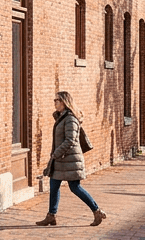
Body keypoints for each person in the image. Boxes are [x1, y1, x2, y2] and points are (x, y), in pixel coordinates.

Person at [36, 91, 107, 227]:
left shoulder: (70, 119)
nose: (54, 102)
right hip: (61, 159)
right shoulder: (61, 117)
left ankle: (97, 211)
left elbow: (70, 140)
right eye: (54, 100)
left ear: (64, 102)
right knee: (54, 186)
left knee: (75, 187)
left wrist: (56, 153)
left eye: (56, 100)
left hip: (70, 160)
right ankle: (51, 215)